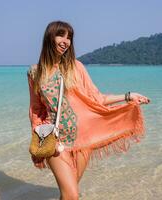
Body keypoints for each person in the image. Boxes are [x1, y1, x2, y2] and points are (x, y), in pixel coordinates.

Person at [27, 20, 150, 200]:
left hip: (83, 140)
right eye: (60, 35)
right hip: (56, 141)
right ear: (49, 37)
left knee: (69, 193)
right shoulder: (35, 73)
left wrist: (128, 96)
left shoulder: (76, 67)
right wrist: (39, 139)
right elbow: (36, 109)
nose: (65, 41)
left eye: (69, 37)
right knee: (72, 195)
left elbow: (97, 98)